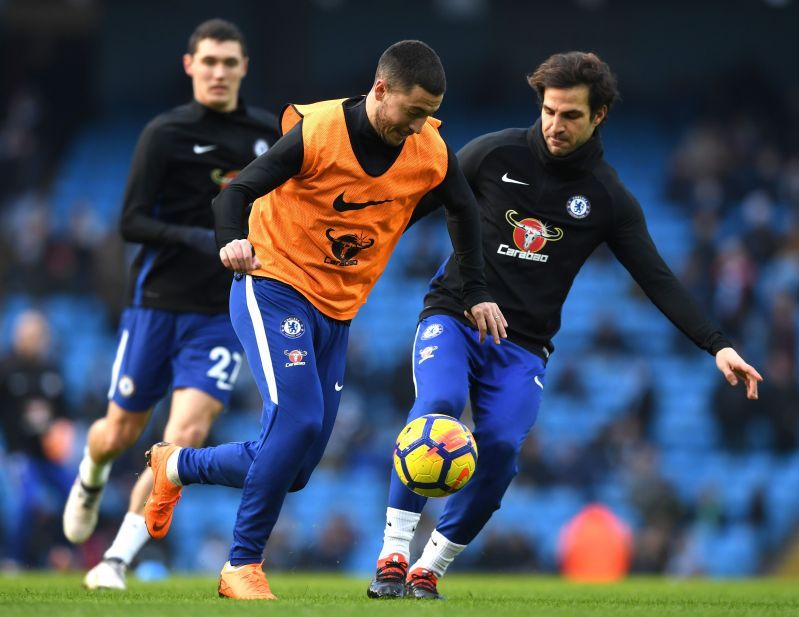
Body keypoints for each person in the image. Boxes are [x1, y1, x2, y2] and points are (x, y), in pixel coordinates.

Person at [366, 51, 763, 600]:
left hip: (524, 345)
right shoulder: (491, 152)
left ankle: (429, 568)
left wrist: (717, 346)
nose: (555, 124)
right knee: (437, 408)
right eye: (549, 110)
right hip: (453, 316)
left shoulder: (607, 197)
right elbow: (404, 210)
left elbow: (657, 277)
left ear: (598, 116)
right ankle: (392, 554)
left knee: (501, 448)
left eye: (571, 115)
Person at [142, 39, 507, 601]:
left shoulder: (428, 149)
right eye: (411, 112)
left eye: (427, 115)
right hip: (273, 284)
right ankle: (241, 566)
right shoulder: (318, 133)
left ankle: (177, 466)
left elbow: (463, 209)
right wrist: (232, 242)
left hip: (336, 311)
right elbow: (234, 193)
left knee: (296, 465)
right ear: (380, 90)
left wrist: (475, 290)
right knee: (298, 421)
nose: (417, 126)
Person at [61, 18, 281, 590]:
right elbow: (130, 221)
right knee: (118, 433)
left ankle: (114, 560)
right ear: (190, 65)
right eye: (208, 61)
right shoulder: (164, 133)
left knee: (183, 436)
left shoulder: (266, 136)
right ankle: (91, 474)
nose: (218, 72)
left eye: (229, 62)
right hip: (157, 304)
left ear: (244, 68)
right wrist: (202, 240)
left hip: (220, 313)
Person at [0, 310, 72, 567]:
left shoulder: (51, 370)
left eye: (38, 334)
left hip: (49, 455)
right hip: (20, 453)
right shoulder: (6, 369)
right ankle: (13, 559)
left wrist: (61, 435)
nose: (33, 339)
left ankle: (62, 551)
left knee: (76, 494)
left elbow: (64, 414)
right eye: (28, 334)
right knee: (29, 502)